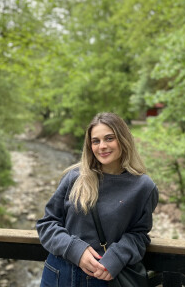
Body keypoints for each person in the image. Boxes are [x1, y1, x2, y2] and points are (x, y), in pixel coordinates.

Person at [36, 112, 159, 287]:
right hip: (58, 273)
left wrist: (116, 258)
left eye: (109, 138)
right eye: (96, 141)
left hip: (103, 277)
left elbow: (139, 235)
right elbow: (47, 224)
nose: (102, 146)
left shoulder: (143, 187)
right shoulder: (74, 177)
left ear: (123, 140)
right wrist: (75, 250)